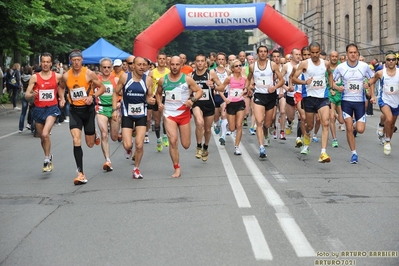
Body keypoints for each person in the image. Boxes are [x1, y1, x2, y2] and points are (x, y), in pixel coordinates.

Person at [61, 49, 106, 185]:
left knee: (90, 144)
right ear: (70, 61)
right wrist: (61, 98)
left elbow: (102, 87)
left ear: (82, 60)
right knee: (76, 140)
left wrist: (92, 96)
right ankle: (80, 173)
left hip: (88, 111)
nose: (76, 62)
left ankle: (94, 134)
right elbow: (61, 87)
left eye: (78, 60)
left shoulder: (88, 73)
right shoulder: (66, 76)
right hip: (74, 111)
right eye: (73, 60)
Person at [156, 56, 203, 178]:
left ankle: (185, 148)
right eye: (172, 64)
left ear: (181, 65)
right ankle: (176, 167)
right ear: (168, 65)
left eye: (177, 64)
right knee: (173, 141)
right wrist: (160, 103)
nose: (175, 67)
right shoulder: (163, 80)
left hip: (183, 114)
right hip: (169, 114)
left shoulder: (187, 79)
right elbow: (158, 93)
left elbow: (199, 91)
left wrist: (192, 100)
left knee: (186, 145)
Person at [112, 56, 156, 179]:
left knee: (140, 145)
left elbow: (148, 97)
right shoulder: (125, 77)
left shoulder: (148, 80)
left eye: (144, 65)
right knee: (127, 145)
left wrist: (151, 100)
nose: (142, 67)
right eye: (139, 64)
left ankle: (136, 169)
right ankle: (128, 149)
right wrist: (114, 109)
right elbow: (116, 93)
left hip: (141, 114)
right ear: (133, 66)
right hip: (127, 114)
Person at [332, 43, 375, 163]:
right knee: (349, 128)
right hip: (346, 101)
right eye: (350, 52)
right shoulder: (341, 67)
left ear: (358, 53)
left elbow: (373, 77)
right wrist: (336, 87)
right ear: (346, 54)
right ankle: (354, 154)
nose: (353, 54)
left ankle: (355, 124)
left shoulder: (364, 66)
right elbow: (332, 80)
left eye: (355, 52)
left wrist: (369, 84)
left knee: (360, 130)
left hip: (360, 102)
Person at [292, 42, 333, 163]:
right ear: (310, 52)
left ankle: (323, 153)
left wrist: (330, 88)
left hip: (323, 98)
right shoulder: (305, 64)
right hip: (309, 97)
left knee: (325, 122)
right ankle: (306, 137)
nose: (315, 55)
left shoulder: (325, 63)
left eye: (317, 52)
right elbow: (294, 78)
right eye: (312, 53)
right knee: (309, 125)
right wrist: (305, 82)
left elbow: (330, 74)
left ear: (320, 51)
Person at [25, 53, 65, 172]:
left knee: (45, 134)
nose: (45, 64)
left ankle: (47, 159)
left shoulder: (57, 76)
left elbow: (62, 87)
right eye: (43, 62)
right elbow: (26, 95)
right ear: (40, 63)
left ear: (51, 63)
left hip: (52, 108)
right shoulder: (35, 77)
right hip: (38, 109)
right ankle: (49, 155)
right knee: (42, 137)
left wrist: (62, 98)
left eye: (48, 62)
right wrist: (31, 94)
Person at [245, 45, 284, 158]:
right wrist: (248, 88)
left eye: (264, 52)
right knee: (259, 121)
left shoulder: (272, 65)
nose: (262, 53)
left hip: (270, 96)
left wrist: (275, 87)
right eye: (260, 51)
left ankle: (266, 134)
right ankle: (261, 147)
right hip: (259, 96)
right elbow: (248, 78)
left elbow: (281, 80)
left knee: (268, 123)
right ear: (257, 53)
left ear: (267, 53)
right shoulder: (253, 66)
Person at [191, 53, 223, 161]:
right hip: (197, 103)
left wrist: (213, 86)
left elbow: (221, 87)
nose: (200, 63)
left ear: (205, 63)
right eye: (198, 61)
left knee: (208, 129)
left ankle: (205, 147)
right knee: (199, 123)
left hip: (209, 104)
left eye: (202, 61)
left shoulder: (211, 74)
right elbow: (188, 91)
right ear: (195, 63)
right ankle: (199, 146)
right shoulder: (191, 76)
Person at [367, 50, 399, 155]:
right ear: (385, 61)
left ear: (396, 61)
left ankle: (387, 138)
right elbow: (371, 82)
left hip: (396, 101)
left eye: (393, 60)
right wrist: (372, 96)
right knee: (389, 119)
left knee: (392, 123)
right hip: (384, 100)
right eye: (389, 60)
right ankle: (387, 142)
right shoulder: (380, 73)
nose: (391, 62)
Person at [217, 59, 249, 155]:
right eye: (236, 66)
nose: (239, 67)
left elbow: (247, 88)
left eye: (240, 65)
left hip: (240, 103)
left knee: (239, 125)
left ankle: (237, 147)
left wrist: (245, 90)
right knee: (232, 128)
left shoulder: (244, 78)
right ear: (232, 68)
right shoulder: (229, 78)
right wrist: (225, 99)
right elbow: (220, 89)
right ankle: (226, 125)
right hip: (231, 104)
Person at [95, 58, 120, 171]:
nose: (106, 69)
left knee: (114, 137)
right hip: (101, 109)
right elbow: (90, 92)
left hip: (114, 109)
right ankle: (108, 160)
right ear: (100, 68)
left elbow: (123, 95)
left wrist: (119, 103)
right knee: (104, 134)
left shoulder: (116, 79)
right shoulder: (96, 80)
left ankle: (122, 135)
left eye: (108, 67)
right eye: (104, 67)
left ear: (112, 68)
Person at [147, 53, 170, 152]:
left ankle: (165, 135)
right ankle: (158, 139)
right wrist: (149, 95)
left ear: (166, 60)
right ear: (157, 60)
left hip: (166, 97)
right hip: (155, 98)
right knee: (157, 121)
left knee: (165, 118)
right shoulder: (152, 73)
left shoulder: (169, 72)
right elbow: (148, 85)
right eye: (160, 59)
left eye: (163, 59)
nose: (161, 60)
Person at [211, 52, 231, 143]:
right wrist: (213, 88)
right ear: (216, 60)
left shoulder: (228, 71)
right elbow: (210, 83)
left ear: (225, 60)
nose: (221, 61)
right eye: (219, 59)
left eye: (223, 59)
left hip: (225, 95)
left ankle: (223, 136)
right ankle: (217, 124)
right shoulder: (212, 71)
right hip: (215, 96)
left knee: (223, 115)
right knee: (215, 117)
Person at [328, 51, 345, 148]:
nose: (334, 58)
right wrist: (333, 88)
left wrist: (341, 88)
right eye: (332, 56)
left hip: (341, 94)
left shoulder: (341, 66)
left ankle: (337, 115)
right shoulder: (327, 67)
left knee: (342, 121)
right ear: (329, 57)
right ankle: (334, 139)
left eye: (336, 56)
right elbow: (329, 80)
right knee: (331, 117)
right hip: (330, 94)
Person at [19, 66, 33, 132]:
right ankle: (31, 125)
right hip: (30, 94)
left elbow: (20, 85)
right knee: (31, 111)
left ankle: (20, 128)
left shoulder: (21, 77)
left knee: (23, 113)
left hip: (24, 94)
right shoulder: (31, 77)